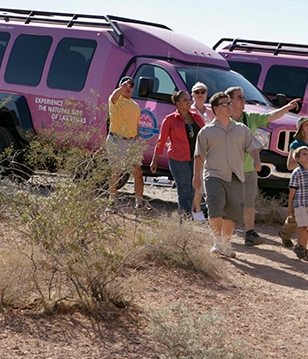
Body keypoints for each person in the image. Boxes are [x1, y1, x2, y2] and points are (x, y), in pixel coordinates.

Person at [192, 90, 262, 258]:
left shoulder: (241, 129)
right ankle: (217, 242)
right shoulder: (206, 131)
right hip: (214, 175)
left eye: (230, 103)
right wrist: (196, 177)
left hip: (236, 176)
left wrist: (256, 160)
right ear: (215, 108)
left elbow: (253, 146)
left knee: (232, 212)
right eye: (225, 104)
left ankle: (226, 244)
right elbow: (199, 155)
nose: (229, 106)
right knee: (215, 206)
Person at [227, 86, 300, 246]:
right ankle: (224, 239)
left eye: (243, 97)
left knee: (249, 203)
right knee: (229, 205)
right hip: (228, 170)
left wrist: (287, 107)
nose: (243, 100)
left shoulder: (251, 117)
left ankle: (249, 233)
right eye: (239, 97)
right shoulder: (223, 120)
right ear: (229, 101)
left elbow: (271, 116)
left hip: (248, 170)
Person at [150, 90, 205, 218]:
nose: (189, 102)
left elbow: (205, 135)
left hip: (195, 158)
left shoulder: (196, 117)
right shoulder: (170, 119)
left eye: (189, 99)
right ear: (177, 103)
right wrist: (155, 159)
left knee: (194, 187)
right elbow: (161, 140)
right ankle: (185, 217)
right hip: (178, 158)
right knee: (184, 188)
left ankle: (192, 214)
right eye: (185, 100)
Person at [279, 116, 308, 253]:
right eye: (306, 125)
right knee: (295, 218)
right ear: (301, 128)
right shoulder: (295, 145)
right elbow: (289, 165)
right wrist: (307, 162)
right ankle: (284, 234)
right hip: (300, 183)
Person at [107, 76, 151, 213]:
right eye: (126, 85)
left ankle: (139, 203)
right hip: (116, 140)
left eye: (131, 85)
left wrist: (137, 141)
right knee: (116, 173)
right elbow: (114, 97)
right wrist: (121, 87)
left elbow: (136, 125)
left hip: (131, 141)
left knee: (138, 172)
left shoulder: (136, 106)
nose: (129, 87)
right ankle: (112, 202)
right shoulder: (115, 100)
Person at [287, 146, 308, 262]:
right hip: (299, 203)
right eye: (304, 154)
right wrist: (290, 206)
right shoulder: (297, 173)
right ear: (298, 159)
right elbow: (292, 190)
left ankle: (303, 248)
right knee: (303, 226)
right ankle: (300, 246)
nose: (307, 156)